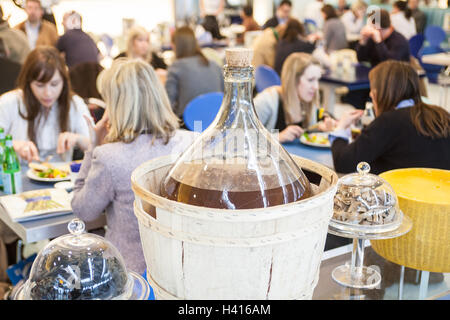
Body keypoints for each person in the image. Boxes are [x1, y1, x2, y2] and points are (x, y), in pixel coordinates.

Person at [71, 58, 195, 274]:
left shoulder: (109, 157)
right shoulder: (191, 143)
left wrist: (93, 146)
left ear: (116, 107)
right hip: (181, 272)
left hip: (130, 276)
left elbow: (83, 210)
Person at [329, 60, 450, 174]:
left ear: (381, 92)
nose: (371, 94)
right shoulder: (442, 114)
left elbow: (343, 163)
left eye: (373, 91)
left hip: (401, 193)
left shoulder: (389, 121)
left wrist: (341, 128)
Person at [0, 46, 93, 163]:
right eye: (40, 85)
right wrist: (13, 145)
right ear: (28, 83)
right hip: (17, 177)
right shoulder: (9, 102)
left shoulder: (74, 103)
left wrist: (78, 139)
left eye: (54, 84)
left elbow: (96, 147)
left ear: (64, 82)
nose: (48, 93)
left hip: (62, 178)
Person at [254, 52, 335, 143]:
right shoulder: (266, 101)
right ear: (293, 80)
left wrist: (319, 128)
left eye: (317, 80)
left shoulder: (307, 100)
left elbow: (306, 135)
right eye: (310, 80)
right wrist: (277, 137)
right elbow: (240, 138)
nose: (316, 87)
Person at [165, 26, 223, 118]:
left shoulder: (176, 67)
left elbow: (168, 104)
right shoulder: (214, 65)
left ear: (175, 45)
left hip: (192, 124)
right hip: (215, 121)